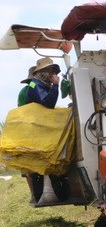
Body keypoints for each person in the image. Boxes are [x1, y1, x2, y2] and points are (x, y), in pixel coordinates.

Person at [22, 57, 69, 202]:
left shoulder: (40, 85)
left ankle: (48, 195)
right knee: (42, 163)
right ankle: (44, 195)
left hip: (40, 130)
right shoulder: (35, 85)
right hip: (37, 131)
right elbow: (48, 104)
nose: (52, 74)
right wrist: (55, 86)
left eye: (54, 71)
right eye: (50, 71)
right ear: (41, 72)